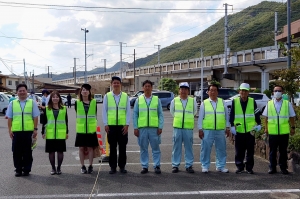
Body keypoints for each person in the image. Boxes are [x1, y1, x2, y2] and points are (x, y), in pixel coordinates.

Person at [6, 83, 40, 177]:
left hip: (28, 131)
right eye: (20, 91)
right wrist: (10, 130)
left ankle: (26, 169)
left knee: (27, 151)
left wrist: (35, 129)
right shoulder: (12, 103)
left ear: (27, 92)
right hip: (16, 131)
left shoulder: (32, 102)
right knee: (16, 151)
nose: (22, 92)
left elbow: (35, 117)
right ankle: (18, 169)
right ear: (17, 92)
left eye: (23, 90)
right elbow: (9, 118)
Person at [262, 85, 296, 175]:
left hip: (284, 132)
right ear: (273, 92)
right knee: (272, 151)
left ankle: (283, 168)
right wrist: (266, 128)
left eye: (279, 90)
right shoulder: (269, 104)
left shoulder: (287, 103)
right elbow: (265, 117)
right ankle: (272, 168)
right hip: (272, 132)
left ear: (283, 92)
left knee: (283, 151)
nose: (277, 92)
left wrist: (293, 127)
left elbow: (292, 116)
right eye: (276, 90)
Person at [133, 80, 164, 174]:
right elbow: (135, 114)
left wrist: (160, 127)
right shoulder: (138, 99)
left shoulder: (156, 99)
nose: (147, 88)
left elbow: (160, 114)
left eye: (149, 86)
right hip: (142, 128)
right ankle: (144, 166)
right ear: (143, 88)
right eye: (145, 86)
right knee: (143, 148)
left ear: (151, 88)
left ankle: (157, 166)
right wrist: (135, 127)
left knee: (156, 148)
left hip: (154, 128)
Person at [198, 84, 230, 173]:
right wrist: (200, 129)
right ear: (208, 92)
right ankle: (205, 166)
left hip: (220, 130)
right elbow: (200, 117)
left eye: (215, 90)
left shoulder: (222, 102)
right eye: (211, 90)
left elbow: (226, 116)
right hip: (207, 130)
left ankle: (221, 166)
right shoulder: (204, 103)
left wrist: (227, 127)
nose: (213, 92)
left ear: (217, 92)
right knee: (206, 149)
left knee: (221, 149)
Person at [230, 83, 261, 174]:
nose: (243, 92)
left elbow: (256, 113)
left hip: (250, 130)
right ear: (239, 91)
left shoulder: (252, 101)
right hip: (239, 129)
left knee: (250, 150)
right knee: (239, 150)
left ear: (248, 92)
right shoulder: (235, 101)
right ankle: (239, 167)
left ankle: (249, 168)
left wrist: (259, 123)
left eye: (245, 91)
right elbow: (232, 114)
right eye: (242, 90)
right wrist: (232, 125)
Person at [102, 76, 131, 174]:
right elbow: (104, 111)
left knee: (123, 147)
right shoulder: (107, 96)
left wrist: (127, 124)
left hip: (122, 126)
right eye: (114, 83)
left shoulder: (125, 96)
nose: (116, 84)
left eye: (118, 83)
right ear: (111, 84)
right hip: (111, 126)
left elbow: (128, 111)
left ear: (120, 84)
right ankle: (113, 167)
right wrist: (106, 124)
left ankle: (122, 166)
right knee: (112, 147)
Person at [170, 82, 197, 173]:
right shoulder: (174, 100)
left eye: (185, 89)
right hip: (177, 127)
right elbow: (172, 112)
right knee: (176, 147)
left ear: (188, 91)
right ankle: (175, 165)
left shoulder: (193, 101)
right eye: (182, 89)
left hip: (188, 128)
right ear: (179, 90)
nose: (183, 91)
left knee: (189, 147)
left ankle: (189, 165)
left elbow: (194, 112)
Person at [41, 90, 68, 175]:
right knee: (51, 152)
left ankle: (59, 168)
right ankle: (53, 168)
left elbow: (66, 121)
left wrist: (67, 132)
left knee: (60, 152)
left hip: (60, 133)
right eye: (53, 97)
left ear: (59, 98)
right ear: (51, 98)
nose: (55, 98)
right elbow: (44, 122)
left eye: (57, 97)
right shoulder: (47, 109)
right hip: (50, 133)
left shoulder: (64, 108)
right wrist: (43, 132)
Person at [75, 84, 99, 174]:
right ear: (81, 92)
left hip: (91, 129)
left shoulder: (94, 102)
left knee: (90, 148)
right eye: (83, 90)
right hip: (81, 129)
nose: (85, 91)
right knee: (81, 148)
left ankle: (90, 165)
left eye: (86, 90)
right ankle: (82, 166)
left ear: (89, 92)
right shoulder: (77, 103)